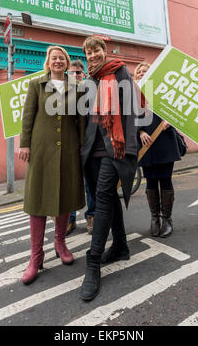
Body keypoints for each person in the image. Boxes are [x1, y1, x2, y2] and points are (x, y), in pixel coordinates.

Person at [19, 46, 85, 285]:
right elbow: (28, 116)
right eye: (54, 58)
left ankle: (60, 243)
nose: (58, 61)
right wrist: (25, 144)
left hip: (68, 148)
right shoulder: (36, 85)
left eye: (62, 58)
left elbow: (81, 120)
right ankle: (36, 257)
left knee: (64, 196)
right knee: (37, 200)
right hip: (41, 148)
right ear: (48, 62)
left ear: (67, 63)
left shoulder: (76, 89)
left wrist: (82, 145)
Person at [80, 36, 139, 301]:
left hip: (114, 149)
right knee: (107, 198)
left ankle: (93, 263)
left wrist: (128, 145)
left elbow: (134, 108)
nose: (93, 55)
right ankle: (121, 246)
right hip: (91, 150)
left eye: (97, 50)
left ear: (105, 51)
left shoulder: (120, 71)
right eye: (89, 52)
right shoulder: (88, 80)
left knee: (103, 197)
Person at [134, 62, 181, 238]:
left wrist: (171, 120)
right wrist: (139, 131)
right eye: (139, 72)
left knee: (165, 179)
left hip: (165, 141)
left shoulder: (163, 90)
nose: (142, 74)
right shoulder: (133, 94)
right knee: (151, 180)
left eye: (146, 71)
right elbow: (128, 117)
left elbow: (179, 110)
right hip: (146, 144)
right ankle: (154, 219)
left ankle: (167, 219)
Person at [67, 59, 96, 236]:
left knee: (89, 183)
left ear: (84, 74)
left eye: (79, 72)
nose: (76, 75)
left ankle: (91, 216)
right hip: (69, 147)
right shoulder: (62, 93)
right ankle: (69, 219)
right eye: (72, 72)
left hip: (88, 146)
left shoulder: (89, 91)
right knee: (70, 184)